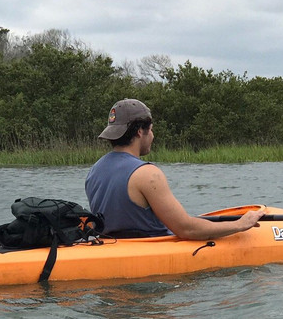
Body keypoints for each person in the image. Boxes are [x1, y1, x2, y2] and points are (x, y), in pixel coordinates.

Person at [85, 99, 263, 239]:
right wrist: (239, 225)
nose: (153, 136)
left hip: (116, 247)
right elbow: (186, 229)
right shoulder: (147, 174)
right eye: (151, 130)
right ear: (140, 131)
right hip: (153, 253)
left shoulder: (94, 171)